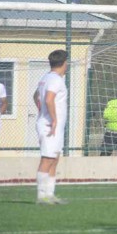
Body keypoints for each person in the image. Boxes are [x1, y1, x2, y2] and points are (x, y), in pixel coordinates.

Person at [33, 50, 69, 205]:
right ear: (64, 63)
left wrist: (42, 112)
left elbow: (36, 96)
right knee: (47, 159)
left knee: (54, 158)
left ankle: (50, 194)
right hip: (50, 125)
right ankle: (41, 196)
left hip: (52, 124)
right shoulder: (55, 79)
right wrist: (53, 119)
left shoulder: (46, 77)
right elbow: (48, 99)